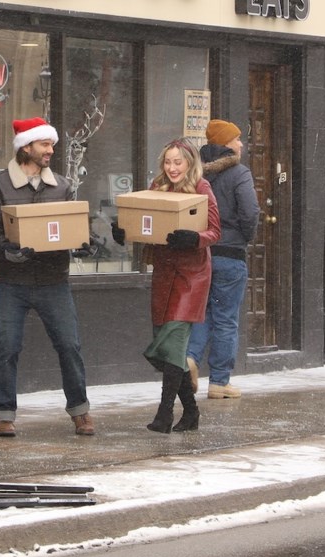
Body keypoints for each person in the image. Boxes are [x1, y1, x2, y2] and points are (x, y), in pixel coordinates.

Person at [0, 117, 95, 438]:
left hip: (53, 280)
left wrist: (81, 245)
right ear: (26, 147)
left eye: (51, 144)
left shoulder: (62, 185)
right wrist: (8, 250)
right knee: (7, 347)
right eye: (45, 144)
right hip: (12, 282)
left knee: (69, 345)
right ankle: (3, 415)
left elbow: (71, 228)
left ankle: (80, 411)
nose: (50, 150)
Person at [114, 139, 221, 434]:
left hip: (192, 276)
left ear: (189, 163)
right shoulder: (157, 187)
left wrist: (194, 239)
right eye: (168, 162)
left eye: (178, 162)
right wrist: (125, 230)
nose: (172, 168)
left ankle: (164, 414)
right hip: (163, 273)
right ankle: (192, 412)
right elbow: (145, 223)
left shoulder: (202, 189)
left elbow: (215, 230)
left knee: (171, 343)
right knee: (166, 346)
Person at [186, 120, 260, 400]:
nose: (241, 144)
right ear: (226, 143)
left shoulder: (195, 173)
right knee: (226, 319)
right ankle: (219, 381)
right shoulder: (239, 172)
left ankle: (190, 359)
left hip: (200, 253)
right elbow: (250, 211)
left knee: (202, 313)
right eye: (237, 139)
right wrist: (244, 237)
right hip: (230, 255)